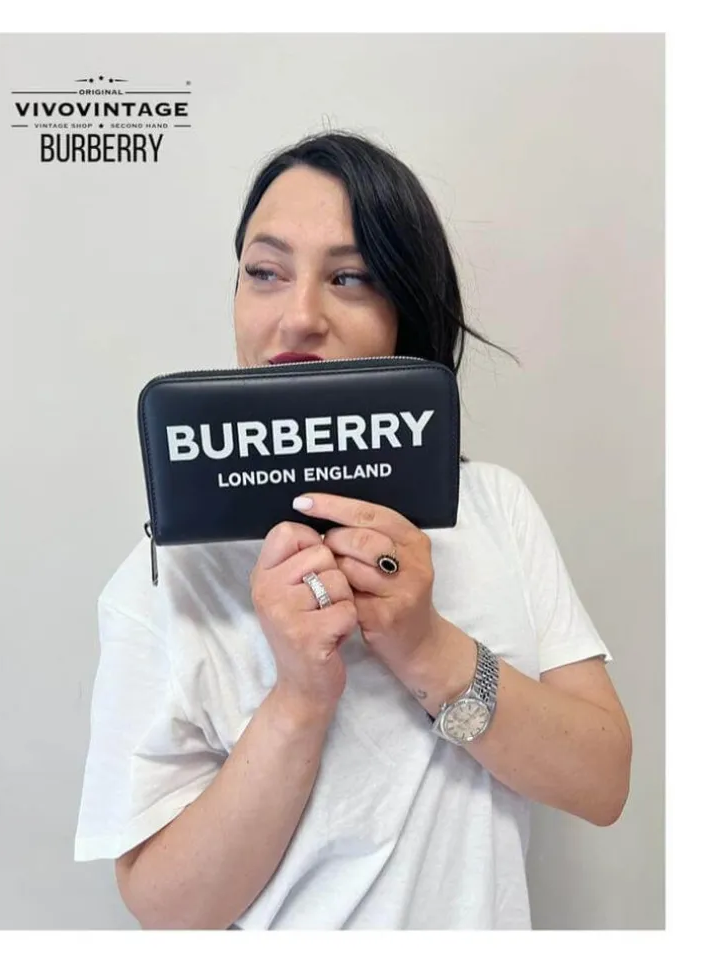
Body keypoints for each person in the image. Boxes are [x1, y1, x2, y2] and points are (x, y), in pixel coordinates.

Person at [74, 130, 632, 930]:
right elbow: (166, 909)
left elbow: (602, 779)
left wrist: (429, 648)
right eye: (265, 272)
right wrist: (299, 701)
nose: (299, 316)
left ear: (406, 304)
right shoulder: (166, 572)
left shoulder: (495, 507)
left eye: (349, 277)